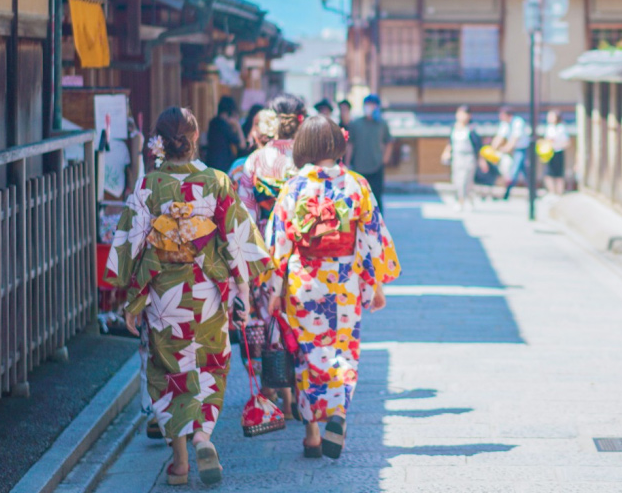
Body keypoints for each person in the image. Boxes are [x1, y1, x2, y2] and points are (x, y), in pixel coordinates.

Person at [104, 107, 270, 487]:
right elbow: (235, 237)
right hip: (209, 289)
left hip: (165, 292)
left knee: (168, 369)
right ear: (195, 140)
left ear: (161, 142)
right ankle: (202, 437)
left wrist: (130, 298)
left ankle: (180, 463)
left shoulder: (148, 185)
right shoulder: (216, 181)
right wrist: (242, 286)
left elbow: (130, 244)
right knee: (211, 363)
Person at [268, 116, 401, 459]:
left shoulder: (294, 187)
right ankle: (337, 416)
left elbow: (278, 242)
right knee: (342, 350)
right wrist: (376, 285)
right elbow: (373, 238)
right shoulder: (356, 185)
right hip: (343, 281)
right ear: (339, 143)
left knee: (307, 353)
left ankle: (312, 434)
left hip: (304, 281)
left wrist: (272, 288)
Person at [237, 93, 307, 418]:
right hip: (304, 252)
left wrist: (245, 268)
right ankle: (299, 395)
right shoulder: (308, 160)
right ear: (300, 120)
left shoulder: (255, 161)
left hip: (266, 249)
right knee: (302, 321)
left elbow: (245, 218)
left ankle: (274, 391)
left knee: (271, 321)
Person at [346, 94, 393, 211]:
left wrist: (385, 159)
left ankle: (378, 225)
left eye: (371, 105)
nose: (369, 107)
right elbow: (350, 144)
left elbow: (389, 141)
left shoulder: (382, 124)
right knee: (359, 198)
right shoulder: (356, 124)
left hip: (376, 166)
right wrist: (347, 163)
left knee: (376, 198)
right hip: (359, 167)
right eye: (367, 105)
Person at [442, 106, 482, 210]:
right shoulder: (453, 128)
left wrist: (481, 160)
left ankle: (464, 200)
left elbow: (478, 146)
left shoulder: (471, 129)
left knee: (466, 180)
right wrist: (446, 152)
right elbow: (450, 143)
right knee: (457, 179)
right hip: (457, 156)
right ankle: (464, 199)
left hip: (469, 156)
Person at [491, 107, 531, 200]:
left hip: (522, 149)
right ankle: (531, 191)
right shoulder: (505, 124)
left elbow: (514, 138)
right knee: (523, 171)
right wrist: (493, 148)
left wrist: (506, 148)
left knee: (515, 170)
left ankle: (507, 193)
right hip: (514, 150)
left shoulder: (518, 122)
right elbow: (499, 137)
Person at [205, 95, 246, 172]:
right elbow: (242, 145)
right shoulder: (224, 125)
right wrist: (237, 126)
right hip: (223, 165)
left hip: (211, 163)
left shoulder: (213, 122)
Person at [544, 110, 570, 196]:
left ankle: (559, 193)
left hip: (558, 152)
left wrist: (556, 144)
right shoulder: (549, 127)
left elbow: (566, 142)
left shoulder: (561, 128)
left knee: (559, 174)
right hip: (549, 153)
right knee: (548, 174)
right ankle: (551, 192)